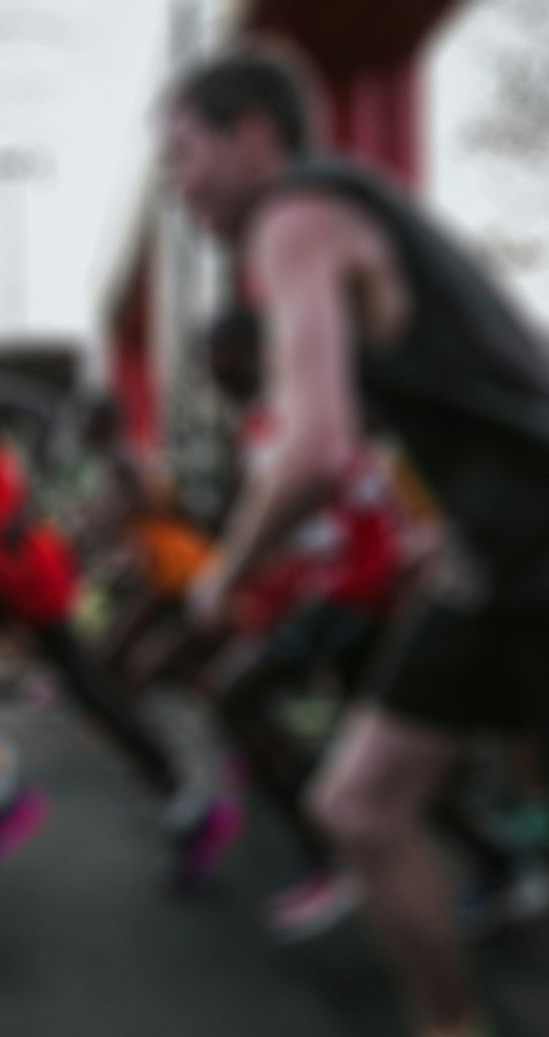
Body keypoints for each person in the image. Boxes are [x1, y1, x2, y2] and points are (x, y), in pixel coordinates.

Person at [160, 49, 549, 1037]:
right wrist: (433, 524)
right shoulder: (354, 223)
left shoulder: (294, 213)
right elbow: (422, 417)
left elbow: (317, 448)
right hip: (493, 554)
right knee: (360, 807)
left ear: (253, 135)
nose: (179, 185)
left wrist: (223, 575)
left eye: (184, 153)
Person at [0, 312, 232, 886]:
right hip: (8, 567)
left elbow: (43, 406)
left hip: (20, 567)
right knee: (86, 684)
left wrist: (25, 504)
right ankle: (187, 806)